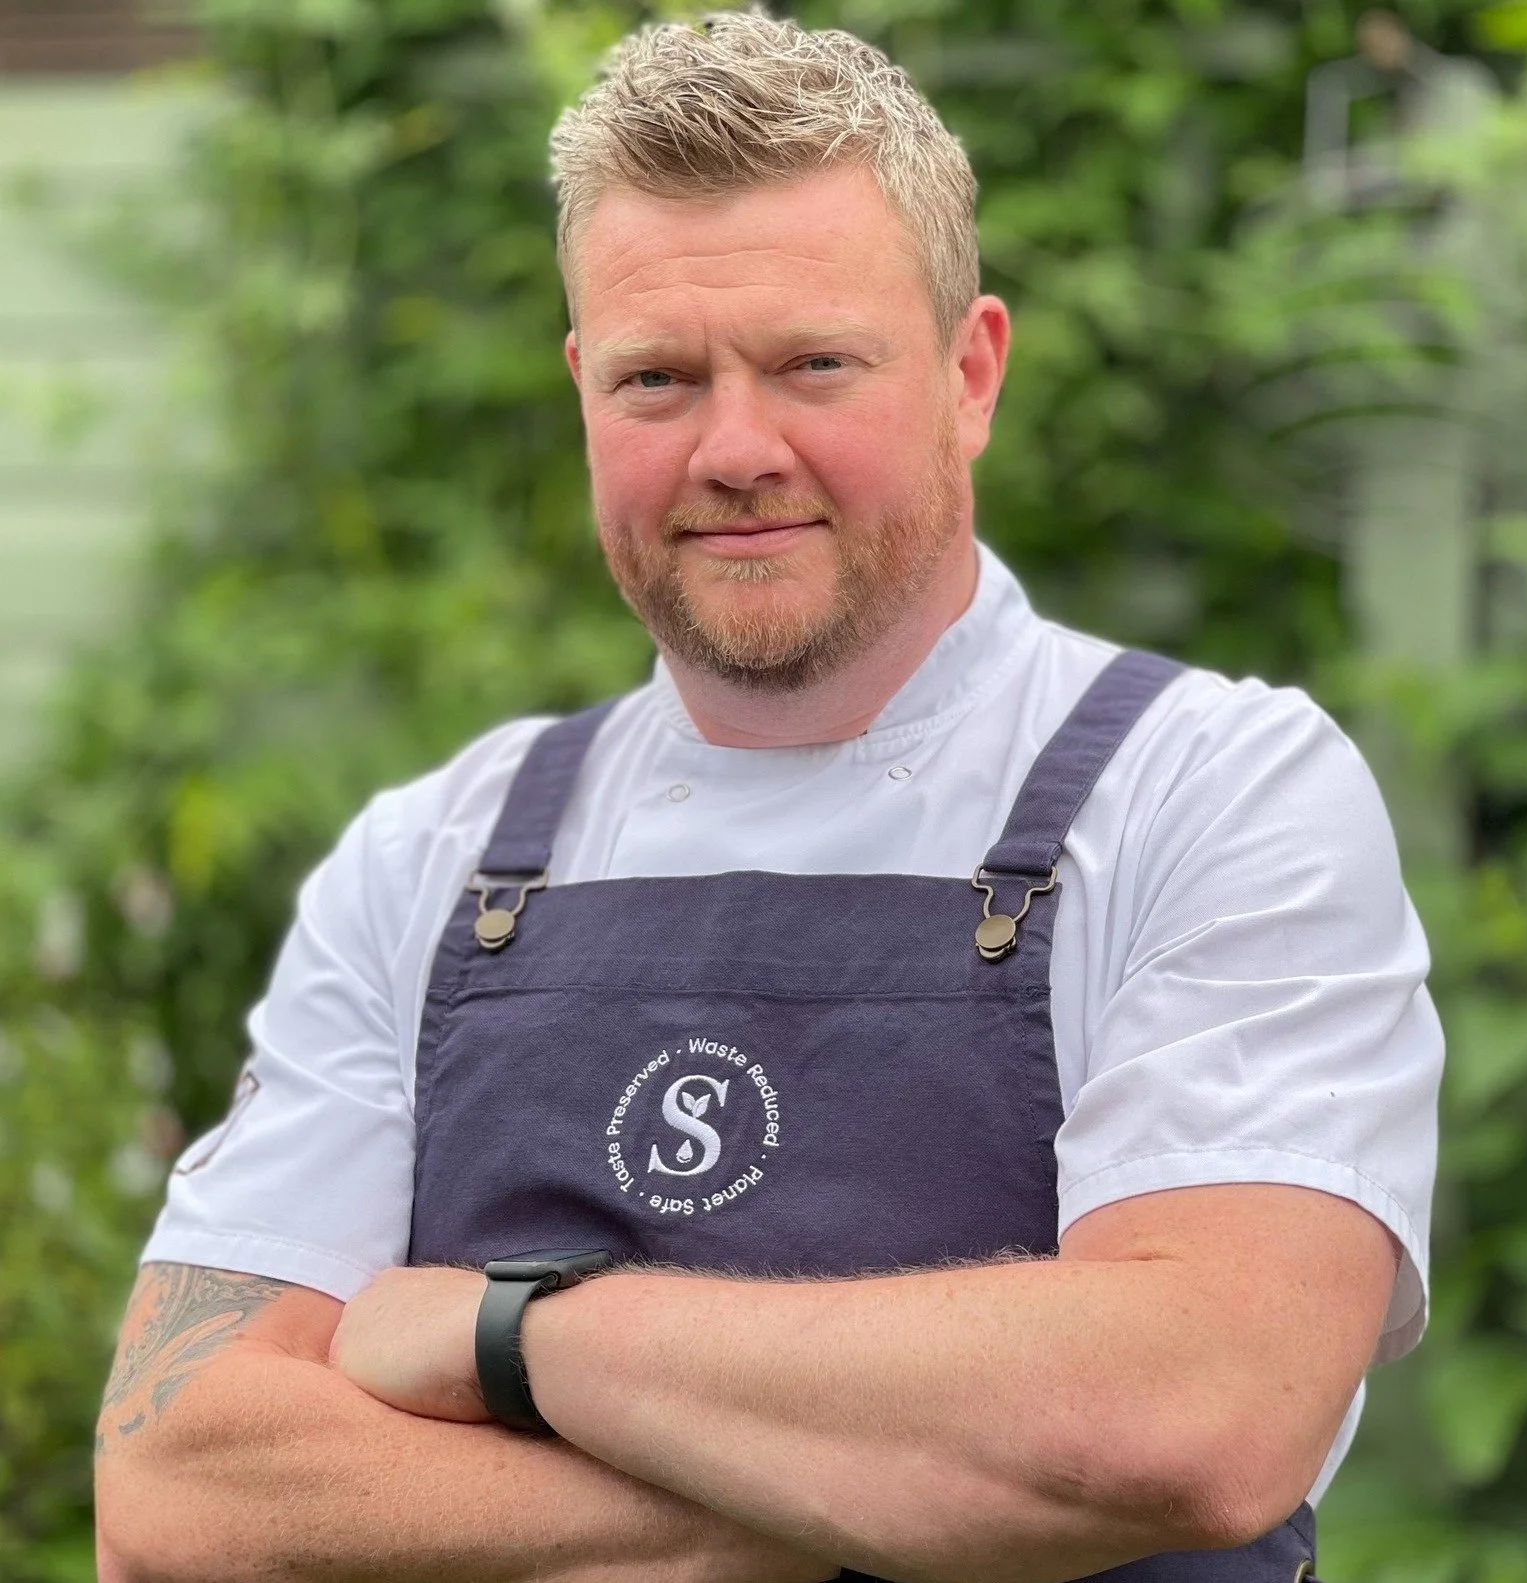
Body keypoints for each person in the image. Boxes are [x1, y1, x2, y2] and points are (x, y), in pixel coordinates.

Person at [94, 13, 1442, 1582]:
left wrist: (495, 1333)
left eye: (814, 363)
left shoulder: (1207, 795)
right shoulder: (435, 859)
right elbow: (179, 1491)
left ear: (968, 372)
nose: (735, 449)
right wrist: (878, 1487)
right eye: (656, 377)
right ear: (581, 389)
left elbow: (1188, 1414)